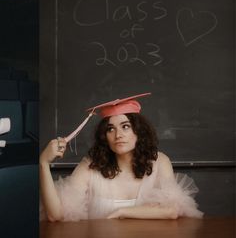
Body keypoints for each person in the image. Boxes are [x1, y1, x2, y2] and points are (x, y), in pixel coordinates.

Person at [40, 93, 203, 222]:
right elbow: (56, 215)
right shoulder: (90, 166)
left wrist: (122, 212)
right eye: (110, 129)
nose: (118, 135)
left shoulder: (159, 162)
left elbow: (172, 210)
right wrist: (43, 163)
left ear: (138, 131)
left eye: (125, 127)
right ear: (105, 136)